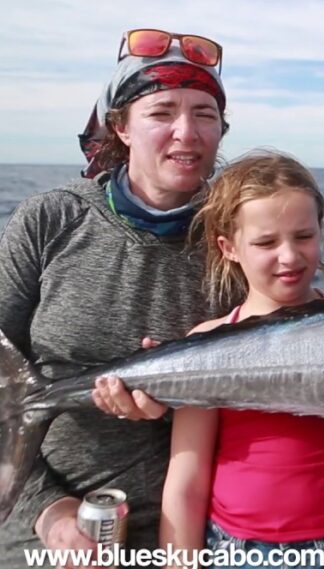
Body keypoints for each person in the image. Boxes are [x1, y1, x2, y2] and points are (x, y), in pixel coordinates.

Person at [0, 28, 229, 565]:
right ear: (121, 126)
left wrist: (177, 408)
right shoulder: (51, 218)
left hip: (204, 527)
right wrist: (47, 509)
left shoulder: (240, 237)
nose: (186, 132)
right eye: (162, 112)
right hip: (50, 514)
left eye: (205, 114)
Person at [158, 150, 324, 569]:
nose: (290, 257)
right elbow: (187, 479)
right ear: (229, 247)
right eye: (265, 242)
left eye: (303, 236)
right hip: (234, 552)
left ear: (321, 230)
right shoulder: (206, 343)